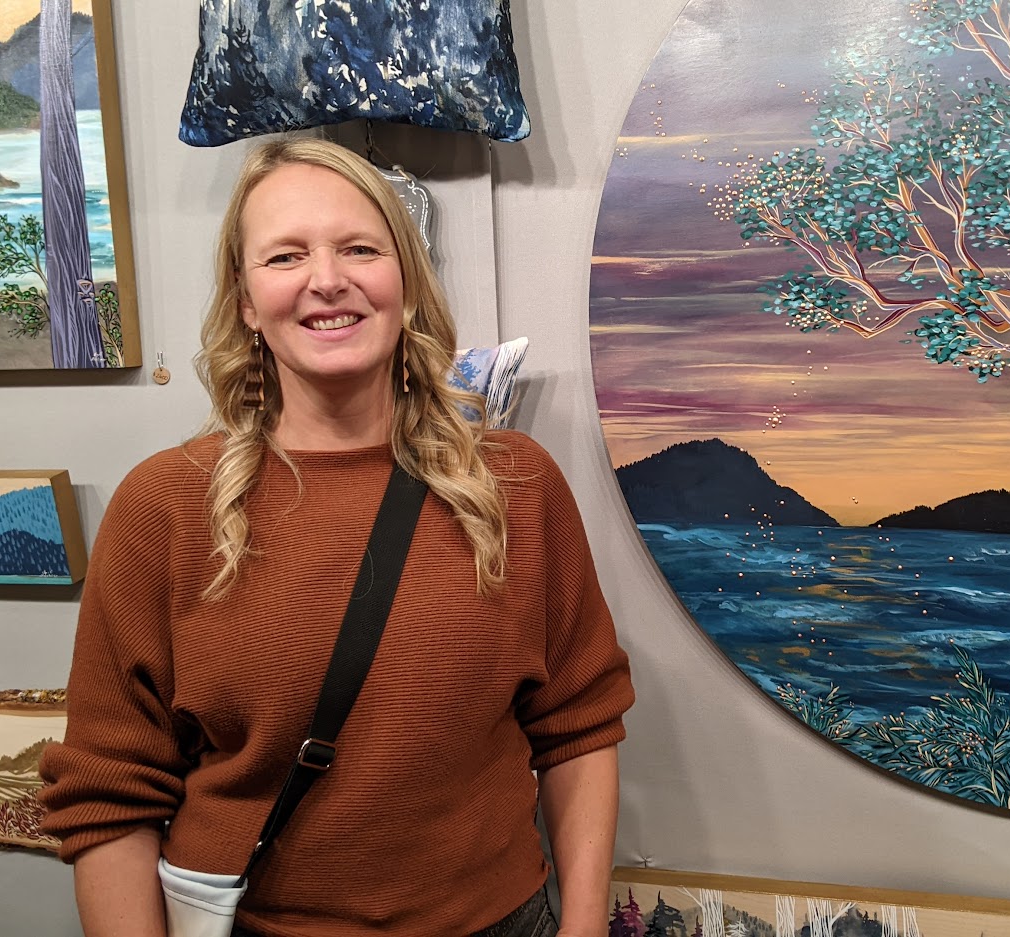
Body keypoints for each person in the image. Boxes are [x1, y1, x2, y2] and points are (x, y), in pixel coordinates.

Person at [39, 137, 634, 937]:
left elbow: (578, 724)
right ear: (246, 299)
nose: (328, 278)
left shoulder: (515, 486)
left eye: (360, 247)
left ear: (407, 282)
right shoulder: (166, 506)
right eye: (286, 255)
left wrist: (586, 925)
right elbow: (110, 789)